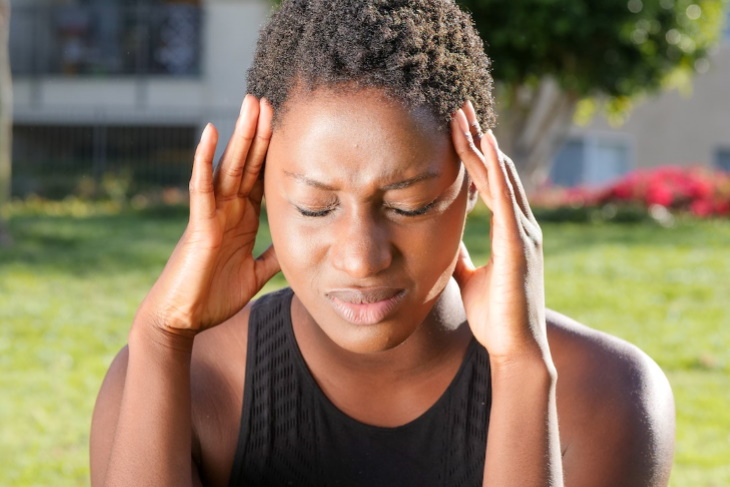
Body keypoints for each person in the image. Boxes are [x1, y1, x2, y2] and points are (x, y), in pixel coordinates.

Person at [89, 1, 675, 486]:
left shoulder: (605, 394)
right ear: (258, 188)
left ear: (476, 186)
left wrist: (521, 371)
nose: (362, 257)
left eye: (408, 205)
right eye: (316, 207)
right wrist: (160, 337)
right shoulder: (177, 380)